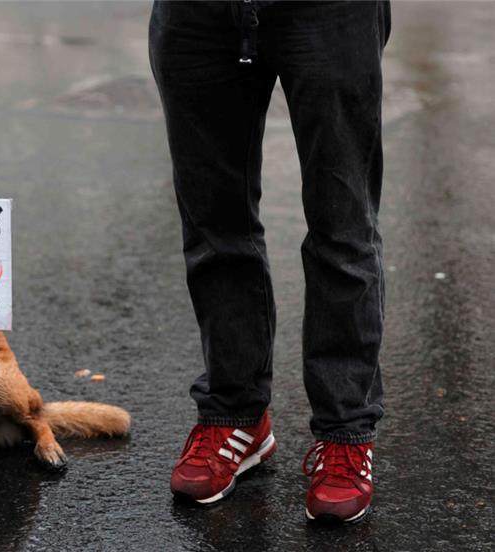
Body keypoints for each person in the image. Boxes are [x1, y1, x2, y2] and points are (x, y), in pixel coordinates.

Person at [149, 0, 390, 523]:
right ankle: (234, 415)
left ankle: (345, 434)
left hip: (331, 12)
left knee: (342, 227)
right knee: (215, 225)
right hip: (197, 14)